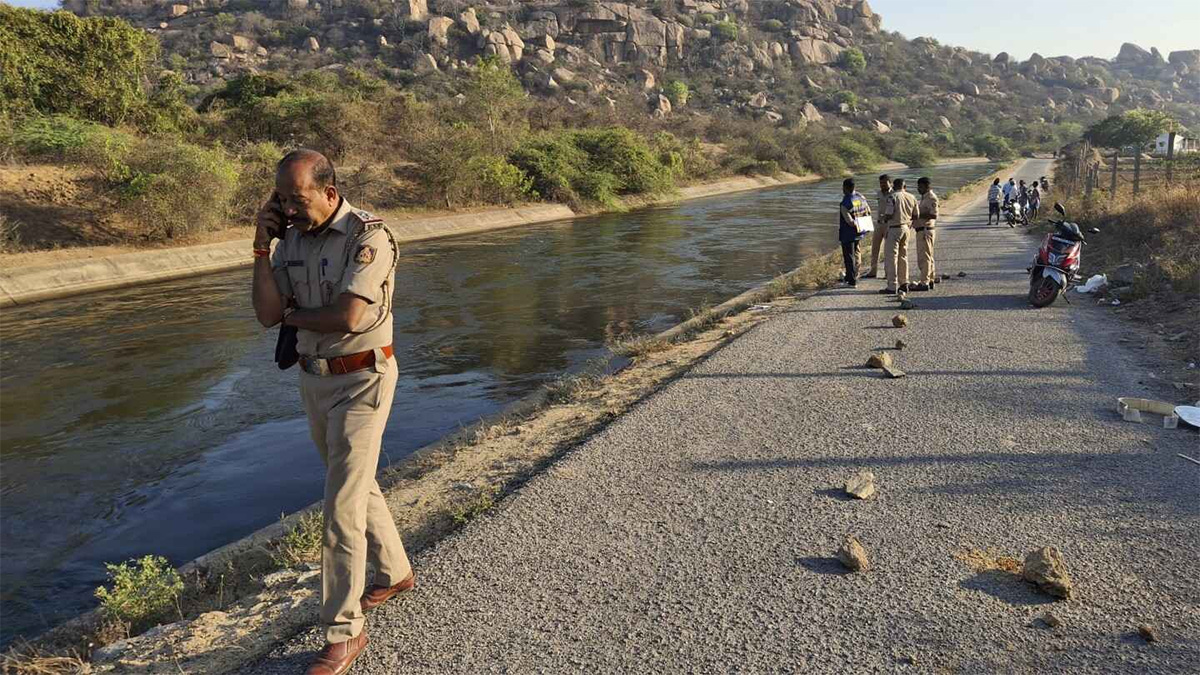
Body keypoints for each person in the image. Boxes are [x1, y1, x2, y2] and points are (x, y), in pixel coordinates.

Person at [251, 149, 411, 675]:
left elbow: (348, 316)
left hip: (364, 378)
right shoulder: (288, 240)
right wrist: (260, 245)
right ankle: (393, 572)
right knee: (355, 484)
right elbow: (266, 314)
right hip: (314, 380)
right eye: (281, 199)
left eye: (297, 199)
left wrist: (293, 317)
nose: (289, 209)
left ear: (329, 191)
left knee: (339, 503)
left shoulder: (371, 236)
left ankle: (344, 633)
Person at [882, 177, 916, 295]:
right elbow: (916, 215)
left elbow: (889, 214)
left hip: (894, 228)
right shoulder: (911, 197)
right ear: (904, 186)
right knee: (903, 256)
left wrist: (883, 218)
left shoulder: (892, 197)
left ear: (893, 186)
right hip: (906, 228)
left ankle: (892, 285)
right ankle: (904, 283)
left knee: (892, 258)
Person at [838, 178, 871, 287]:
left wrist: (855, 223)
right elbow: (868, 211)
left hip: (848, 234)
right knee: (857, 254)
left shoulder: (845, 203)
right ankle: (852, 275)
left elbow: (850, 222)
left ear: (845, 188)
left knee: (849, 257)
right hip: (860, 232)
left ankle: (852, 281)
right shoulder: (861, 198)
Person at [862, 174, 892, 279]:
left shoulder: (894, 194)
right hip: (879, 224)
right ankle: (873, 271)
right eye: (880, 183)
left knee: (888, 250)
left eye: (884, 182)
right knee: (875, 249)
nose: (882, 185)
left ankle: (888, 273)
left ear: (890, 182)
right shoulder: (879, 193)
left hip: (889, 224)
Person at [913, 176, 939, 291]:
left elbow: (934, 215)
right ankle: (931, 279)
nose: (918, 189)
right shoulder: (924, 198)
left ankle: (924, 282)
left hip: (925, 230)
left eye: (920, 186)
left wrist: (918, 215)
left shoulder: (931, 198)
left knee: (924, 258)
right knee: (928, 256)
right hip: (922, 230)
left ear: (926, 186)